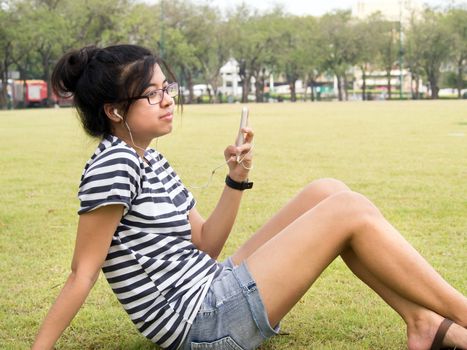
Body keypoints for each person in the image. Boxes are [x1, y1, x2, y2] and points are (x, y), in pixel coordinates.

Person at [32, 44, 467, 350]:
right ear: (114, 111)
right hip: (201, 324)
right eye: (151, 94)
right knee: (347, 210)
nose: (167, 101)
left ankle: (423, 322)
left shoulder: (150, 159)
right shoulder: (114, 165)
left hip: (211, 285)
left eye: (167, 88)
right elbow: (82, 274)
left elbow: (205, 245)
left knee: (328, 192)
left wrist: (236, 178)